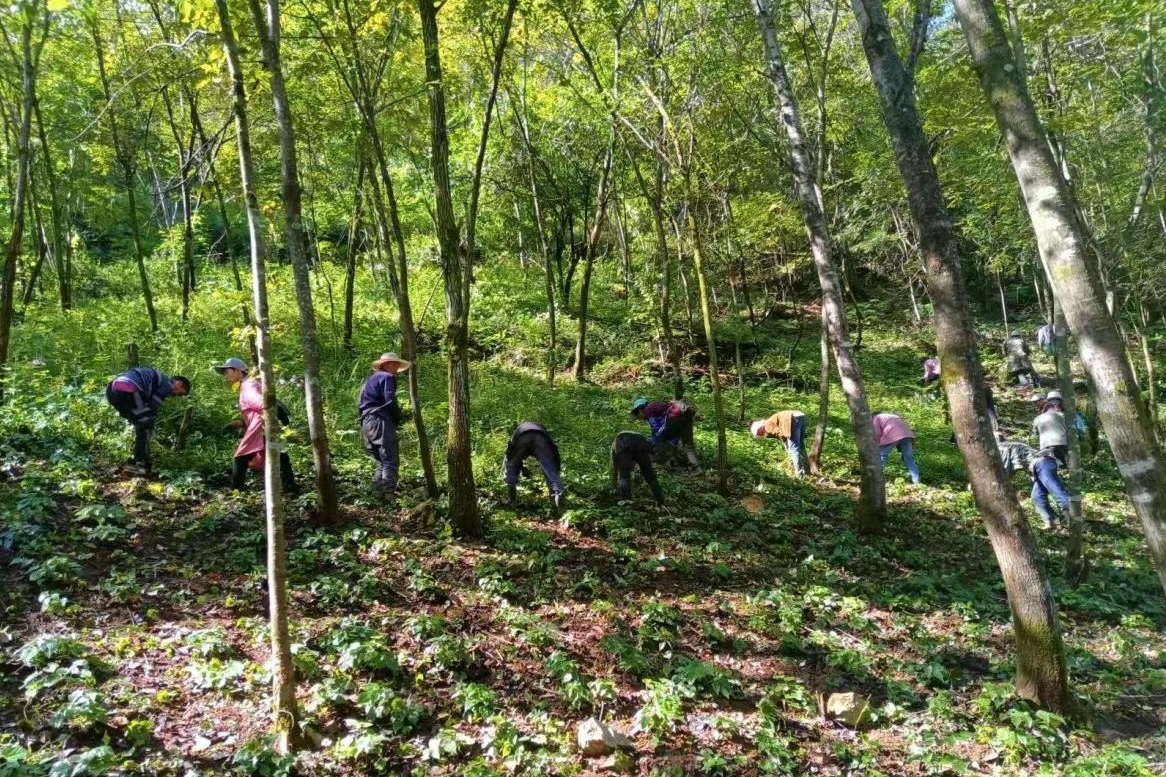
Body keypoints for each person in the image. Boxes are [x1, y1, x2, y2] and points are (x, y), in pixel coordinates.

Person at [215, 358, 296, 492]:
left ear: (239, 371)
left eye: (227, 371)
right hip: (264, 424)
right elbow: (254, 412)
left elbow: (263, 405)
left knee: (240, 457)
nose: (225, 375)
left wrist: (269, 419)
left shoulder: (248, 386)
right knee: (277, 454)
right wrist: (237, 423)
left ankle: (237, 491)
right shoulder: (249, 384)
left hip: (261, 426)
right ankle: (290, 486)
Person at [106, 366, 190, 476]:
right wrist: (150, 420)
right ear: (178, 383)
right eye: (180, 394)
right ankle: (140, 463)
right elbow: (153, 406)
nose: (176, 396)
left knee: (140, 423)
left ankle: (136, 459)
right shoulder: (167, 384)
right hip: (129, 388)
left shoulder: (157, 381)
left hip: (113, 390)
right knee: (146, 423)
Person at [358, 352, 409, 497]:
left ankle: (377, 492)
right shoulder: (387, 377)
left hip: (366, 421)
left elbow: (360, 403)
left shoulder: (370, 380)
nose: (397, 366)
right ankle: (389, 493)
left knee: (381, 459)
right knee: (390, 457)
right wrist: (399, 417)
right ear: (385, 364)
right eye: (395, 363)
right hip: (379, 420)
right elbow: (390, 400)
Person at [995, 435, 1070, 529]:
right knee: (1037, 497)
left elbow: (1005, 469)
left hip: (1042, 464)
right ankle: (1053, 523)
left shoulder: (1002, 447)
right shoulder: (1012, 445)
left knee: (1058, 494)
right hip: (1042, 465)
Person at [503, 421, 565, 510]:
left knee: (511, 466)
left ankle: (511, 500)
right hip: (541, 439)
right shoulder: (542, 431)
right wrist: (556, 468)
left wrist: (515, 467)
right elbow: (553, 454)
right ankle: (559, 501)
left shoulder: (518, 430)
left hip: (522, 438)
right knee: (551, 472)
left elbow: (511, 456)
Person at [631, 397, 700, 470]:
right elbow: (670, 431)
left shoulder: (648, 410)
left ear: (640, 410)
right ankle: (697, 469)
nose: (640, 418)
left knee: (658, 440)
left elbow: (657, 430)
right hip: (686, 415)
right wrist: (672, 443)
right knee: (688, 445)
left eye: (638, 414)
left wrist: (649, 444)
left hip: (675, 417)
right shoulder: (658, 407)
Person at [610, 431, 664, 505]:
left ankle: (626, 500)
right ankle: (660, 499)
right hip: (641, 441)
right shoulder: (637, 436)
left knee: (624, 475)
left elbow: (614, 468)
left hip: (623, 441)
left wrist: (613, 487)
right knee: (650, 475)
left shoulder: (614, 447)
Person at [750, 410, 809, 478]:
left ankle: (799, 475)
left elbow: (780, 433)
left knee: (793, 450)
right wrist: (786, 444)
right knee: (801, 447)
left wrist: (786, 444)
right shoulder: (769, 423)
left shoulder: (766, 426)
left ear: (759, 429)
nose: (760, 435)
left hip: (791, 420)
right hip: (800, 417)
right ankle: (807, 471)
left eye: (758, 434)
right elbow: (780, 434)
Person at [872, 411, 921, 484]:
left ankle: (876, 480)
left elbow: (877, 433)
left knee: (881, 456)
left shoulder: (876, 417)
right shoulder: (894, 416)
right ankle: (916, 481)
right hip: (908, 435)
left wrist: (877, 445)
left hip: (891, 436)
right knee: (909, 459)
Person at [1032, 389, 1069, 467]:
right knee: (1063, 465)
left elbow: (1035, 433)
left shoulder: (1038, 418)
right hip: (1061, 442)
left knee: (1053, 466)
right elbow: (1069, 429)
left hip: (1045, 444)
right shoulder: (1063, 415)